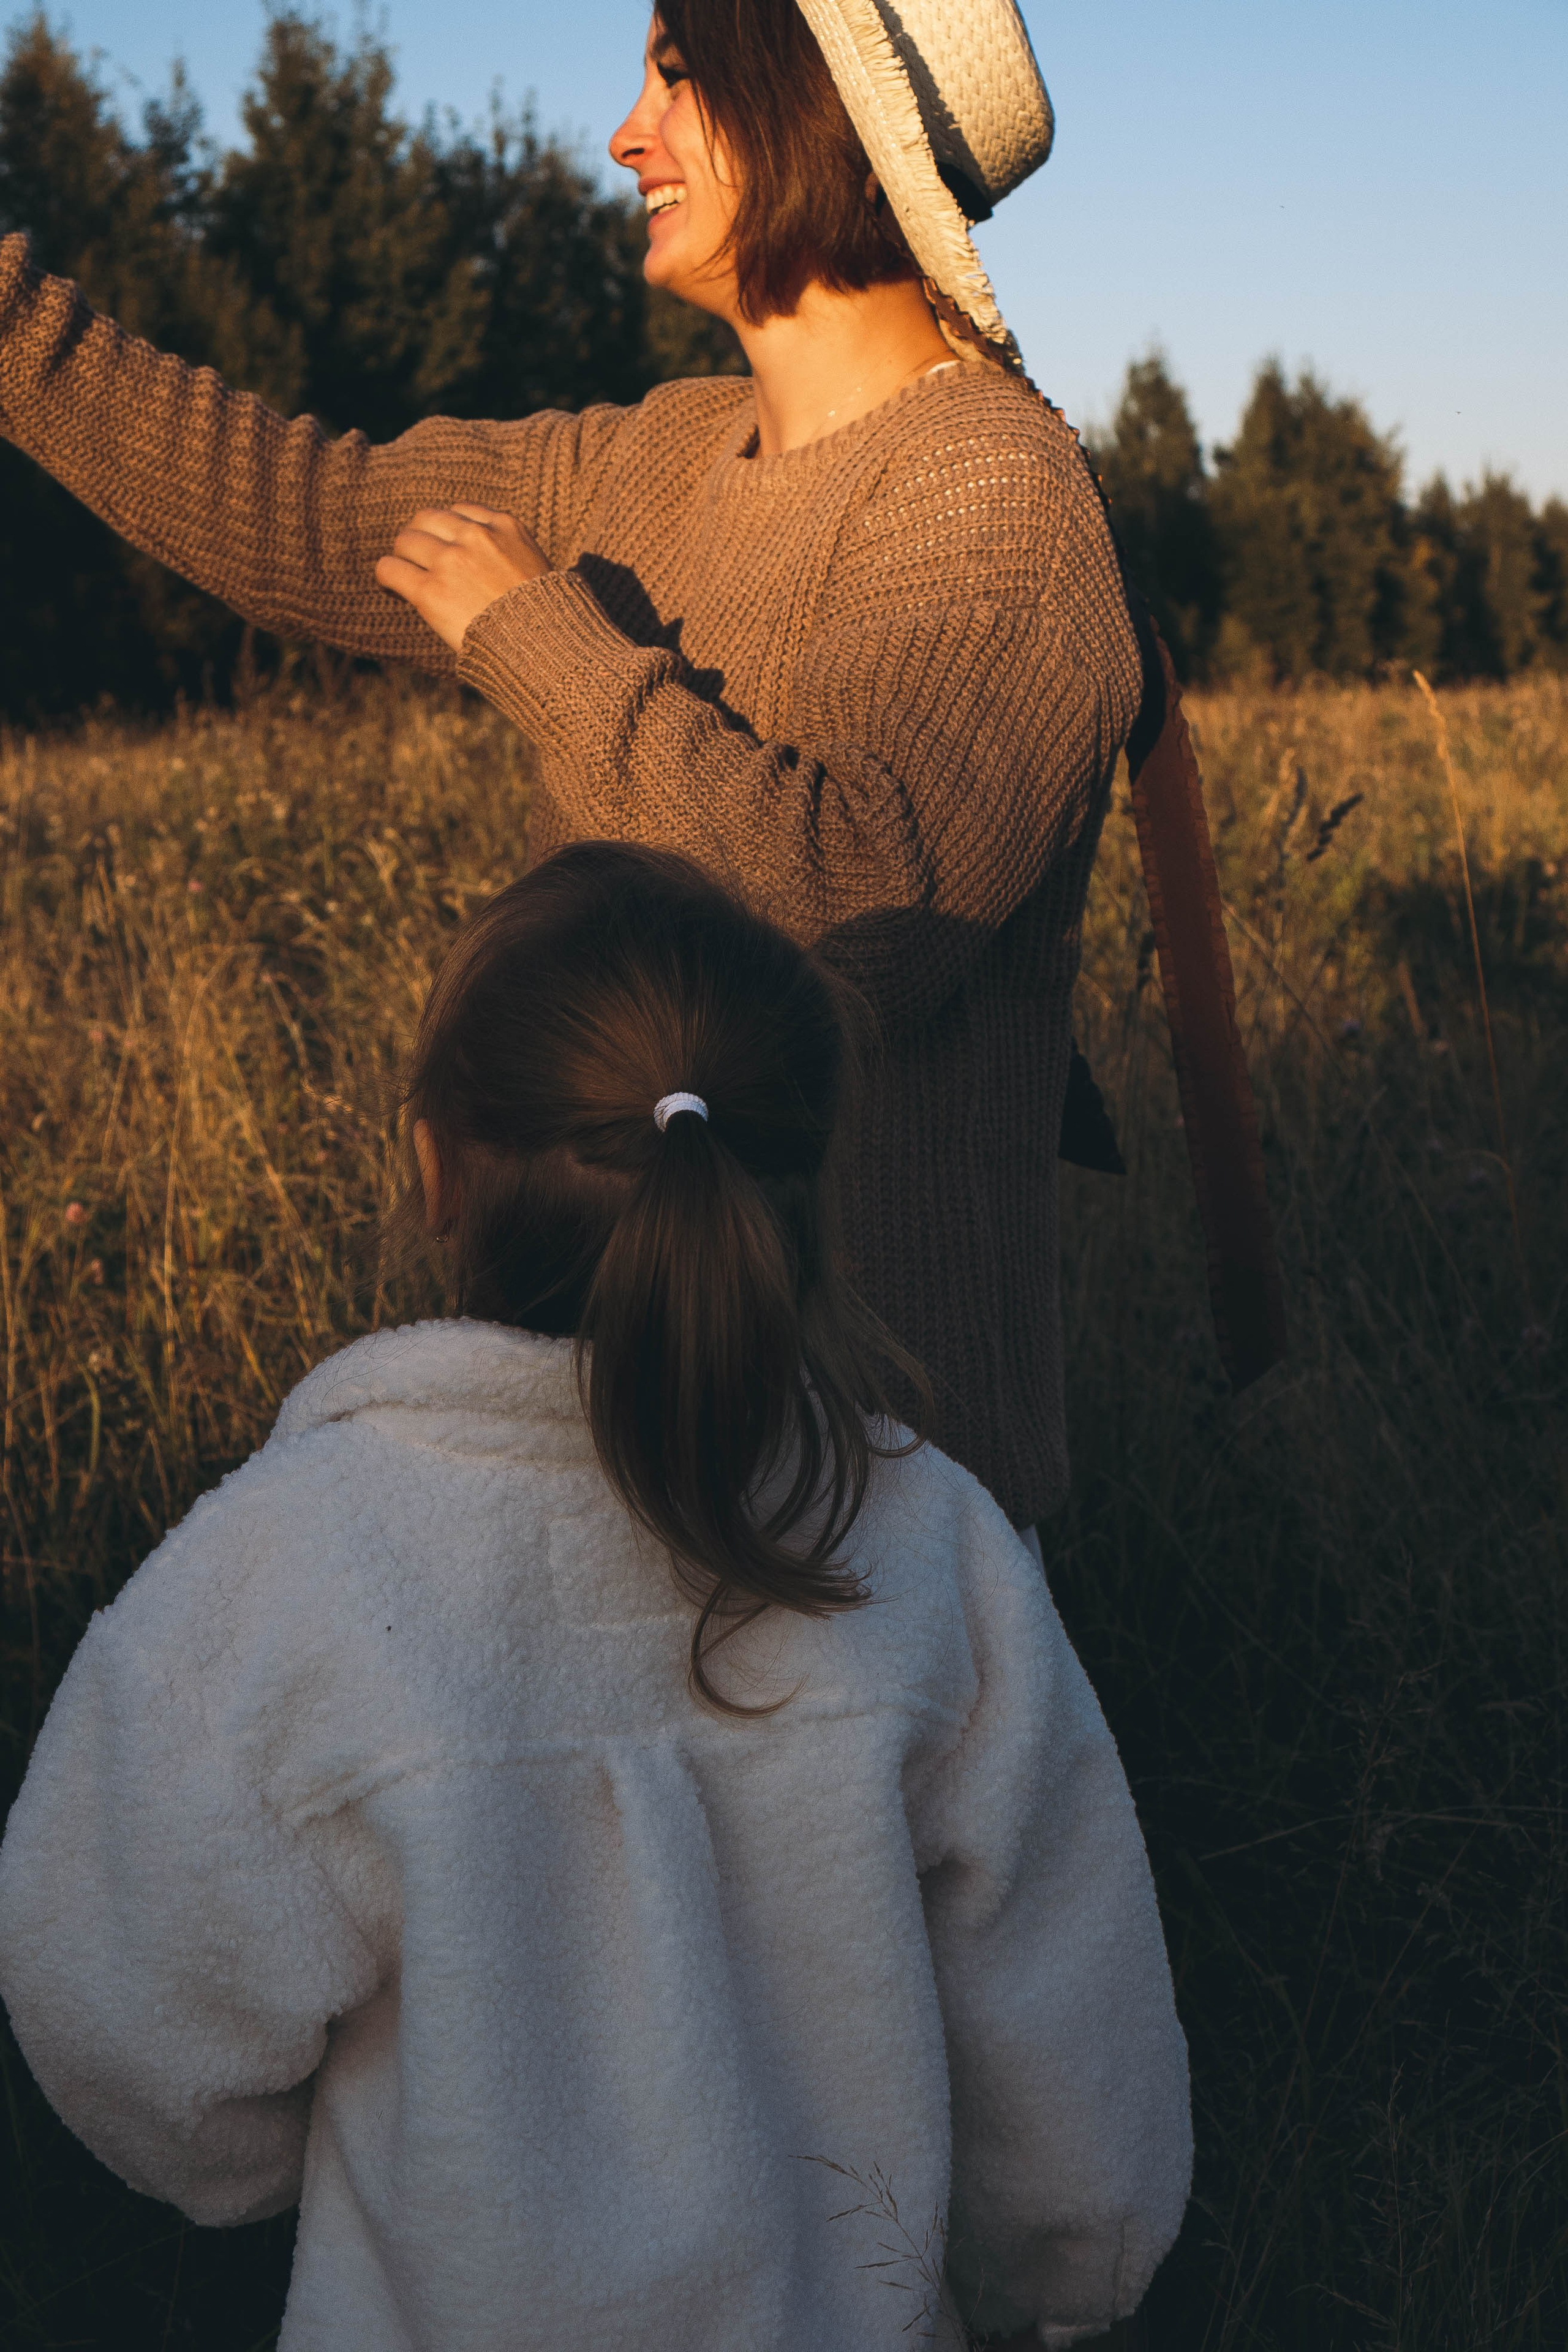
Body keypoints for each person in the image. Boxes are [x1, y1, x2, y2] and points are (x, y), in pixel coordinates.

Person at [0, 842, 1191, 2351]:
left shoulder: (285, 1568)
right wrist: (1057, 2287)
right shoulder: (930, 1544)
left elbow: (124, 2016)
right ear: (804, 1177)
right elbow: (1069, 2053)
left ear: (435, 1164)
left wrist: (264, 2179)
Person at [0, 0, 1142, 1544]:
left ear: (816, 115)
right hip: (615, 1466)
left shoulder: (999, 496)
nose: (626, 132)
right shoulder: (651, 458)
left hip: (882, 1511)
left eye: (680, 77)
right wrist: (13, 324)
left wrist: (539, 639)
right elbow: (299, 506)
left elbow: (859, 913)